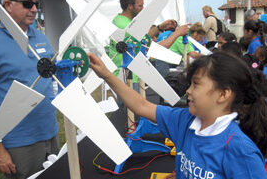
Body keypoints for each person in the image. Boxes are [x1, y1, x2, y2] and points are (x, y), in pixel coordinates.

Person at [88, 51, 267, 178]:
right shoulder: (184, 121)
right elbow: (141, 106)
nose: (188, 91)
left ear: (223, 94)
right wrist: (106, 75)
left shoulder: (241, 152)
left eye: (196, 84)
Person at [0, 0, 59, 178]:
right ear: (7, 4)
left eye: (36, 3)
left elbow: (50, 78)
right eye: (27, 3)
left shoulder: (39, 36)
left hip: (50, 131)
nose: (34, 9)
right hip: (18, 141)